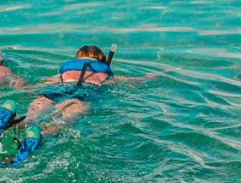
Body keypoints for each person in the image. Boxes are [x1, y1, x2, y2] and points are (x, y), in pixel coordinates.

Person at [23, 44, 153, 136]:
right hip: (86, 94)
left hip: (59, 89)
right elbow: (140, 80)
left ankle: (20, 122)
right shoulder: (106, 75)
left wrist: (25, 89)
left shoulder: (65, 72)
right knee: (64, 122)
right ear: (101, 60)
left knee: (34, 113)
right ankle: (42, 135)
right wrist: (163, 72)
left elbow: (40, 85)